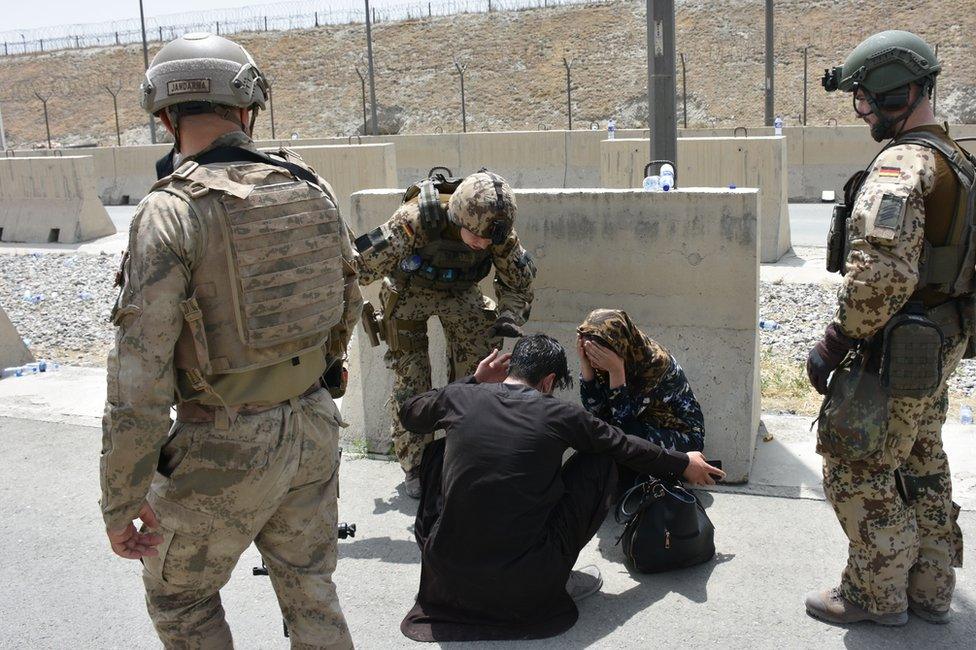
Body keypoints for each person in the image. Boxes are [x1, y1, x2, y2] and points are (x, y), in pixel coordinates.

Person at [99, 33, 361, 648]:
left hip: (223, 439)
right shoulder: (308, 185)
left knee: (181, 599)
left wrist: (122, 499)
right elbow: (346, 305)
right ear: (248, 108)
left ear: (164, 115)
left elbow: (138, 379)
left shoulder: (169, 212)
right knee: (311, 589)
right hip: (312, 426)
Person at [397, 334, 724, 641]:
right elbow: (624, 445)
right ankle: (555, 576)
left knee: (435, 451)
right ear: (549, 381)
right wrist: (682, 462)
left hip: (449, 577)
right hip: (528, 586)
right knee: (601, 460)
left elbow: (411, 414)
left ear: (511, 370)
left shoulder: (460, 397)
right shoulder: (559, 413)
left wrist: (474, 380)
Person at [806, 30, 971, 627]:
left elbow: (879, 277)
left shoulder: (904, 164)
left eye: (864, 99)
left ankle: (875, 596)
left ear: (892, 92)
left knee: (858, 466)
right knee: (921, 460)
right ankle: (930, 591)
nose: (862, 111)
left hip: (893, 347)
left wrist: (835, 341)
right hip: (936, 346)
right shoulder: (956, 159)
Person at [354, 170, 535, 497]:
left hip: (462, 290)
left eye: (487, 240)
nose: (482, 244)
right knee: (412, 377)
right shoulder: (417, 218)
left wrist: (510, 314)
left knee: (478, 376)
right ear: (458, 216)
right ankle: (417, 465)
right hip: (410, 290)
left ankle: (466, 453)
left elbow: (519, 283)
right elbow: (359, 266)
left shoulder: (496, 230)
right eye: (475, 237)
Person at [576, 308, 705, 454]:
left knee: (623, 441)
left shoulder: (653, 364)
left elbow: (623, 426)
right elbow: (597, 413)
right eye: (589, 353)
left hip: (682, 438)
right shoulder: (603, 363)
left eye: (598, 355)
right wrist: (586, 366)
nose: (594, 362)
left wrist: (616, 371)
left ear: (618, 347)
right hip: (639, 428)